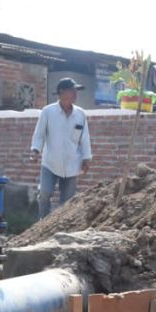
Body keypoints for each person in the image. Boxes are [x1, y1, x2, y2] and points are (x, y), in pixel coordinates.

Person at [30, 77, 92, 218]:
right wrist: (35, 150)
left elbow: (84, 138)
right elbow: (39, 134)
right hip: (50, 162)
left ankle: (60, 227)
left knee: (67, 201)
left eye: (76, 91)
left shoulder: (80, 114)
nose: (75, 94)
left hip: (72, 164)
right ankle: (42, 223)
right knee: (45, 194)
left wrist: (86, 158)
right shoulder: (48, 112)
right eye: (72, 90)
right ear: (62, 92)